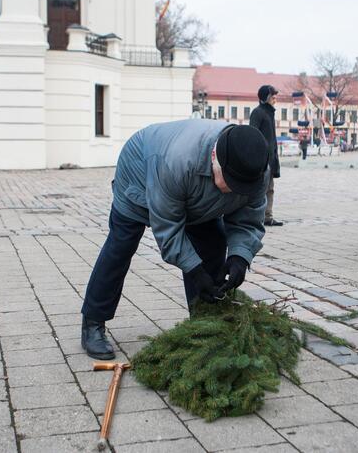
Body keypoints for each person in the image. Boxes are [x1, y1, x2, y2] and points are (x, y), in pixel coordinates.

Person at [80, 119, 270, 359]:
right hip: (139, 175)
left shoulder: (256, 168)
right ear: (215, 157)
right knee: (121, 246)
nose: (234, 190)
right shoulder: (175, 161)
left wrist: (240, 257)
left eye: (241, 186)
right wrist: (195, 270)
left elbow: (249, 219)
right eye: (230, 182)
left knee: (212, 243)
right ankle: (93, 322)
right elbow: (168, 229)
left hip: (195, 196)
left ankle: (205, 323)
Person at [250, 85, 283, 226]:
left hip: (270, 158)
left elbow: (271, 139)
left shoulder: (270, 113)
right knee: (259, 189)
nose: (275, 100)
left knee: (270, 188)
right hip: (261, 158)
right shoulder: (258, 113)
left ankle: (268, 217)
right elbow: (253, 134)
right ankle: (256, 217)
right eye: (273, 97)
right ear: (266, 98)